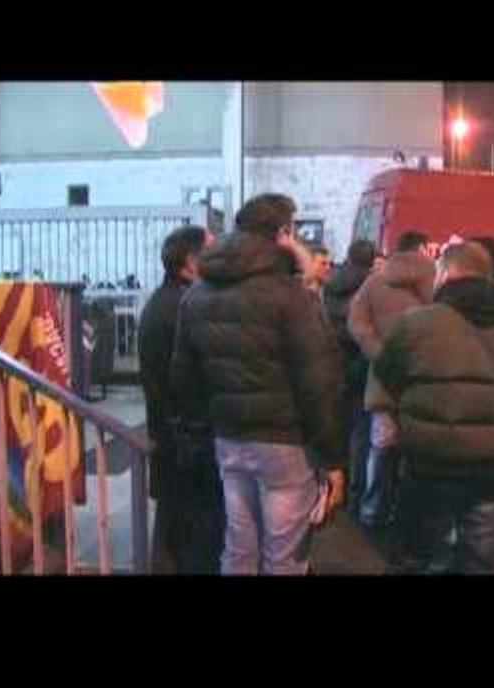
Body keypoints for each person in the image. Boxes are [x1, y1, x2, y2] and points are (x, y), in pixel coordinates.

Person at [170, 194, 346, 575]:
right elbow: (318, 383)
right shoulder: (291, 296)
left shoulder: (196, 294)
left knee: (238, 550)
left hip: (229, 439)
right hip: (284, 444)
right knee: (284, 558)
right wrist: (332, 458)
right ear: (284, 233)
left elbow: (183, 379)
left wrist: (213, 422)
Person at [373, 242, 494, 573]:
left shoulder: (416, 323)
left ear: (446, 274)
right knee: (479, 560)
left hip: (430, 460)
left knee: (425, 554)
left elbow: (386, 375)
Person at [138, 225, 224, 574]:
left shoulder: (166, 301)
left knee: (174, 538)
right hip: (188, 448)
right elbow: (192, 383)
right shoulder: (184, 307)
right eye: (213, 251)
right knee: (195, 546)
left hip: (175, 444)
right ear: (191, 261)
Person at [347, 230, 436, 531]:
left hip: (384, 379)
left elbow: (356, 323)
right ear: (423, 248)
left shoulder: (374, 282)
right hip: (424, 380)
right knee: (418, 453)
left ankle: (372, 512)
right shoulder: (434, 280)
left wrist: (379, 353)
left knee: (380, 448)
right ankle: (411, 517)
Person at [322, 239, 377, 513]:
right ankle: (354, 490)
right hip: (360, 363)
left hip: (334, 362)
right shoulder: (371, 285)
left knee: (338, 424)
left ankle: (333, 482)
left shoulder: (331, 282)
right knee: (361, 430)